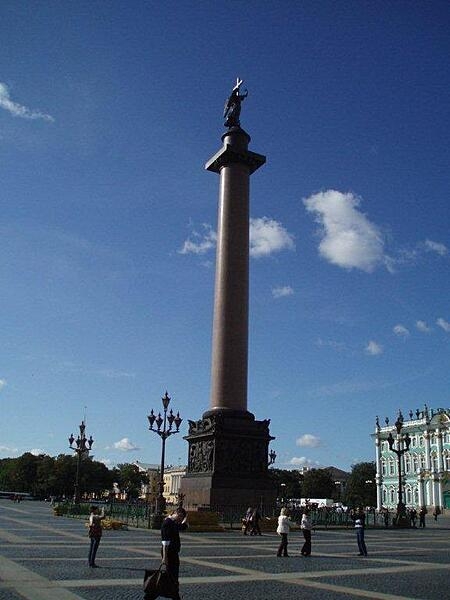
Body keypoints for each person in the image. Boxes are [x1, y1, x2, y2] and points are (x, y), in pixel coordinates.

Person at [161, 507, 188, 600]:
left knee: (172, 576)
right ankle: (175, 596)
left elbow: (181, 527)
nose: (180, 519)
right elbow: (165, 542)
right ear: (176, 513)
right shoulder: (167, 523)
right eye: (180, 517)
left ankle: (174, 595)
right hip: (169, 553)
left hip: (173, 552)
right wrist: (165, 557)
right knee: (172, 577)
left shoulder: (172, 522)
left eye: (182, 518)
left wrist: (184, 521)